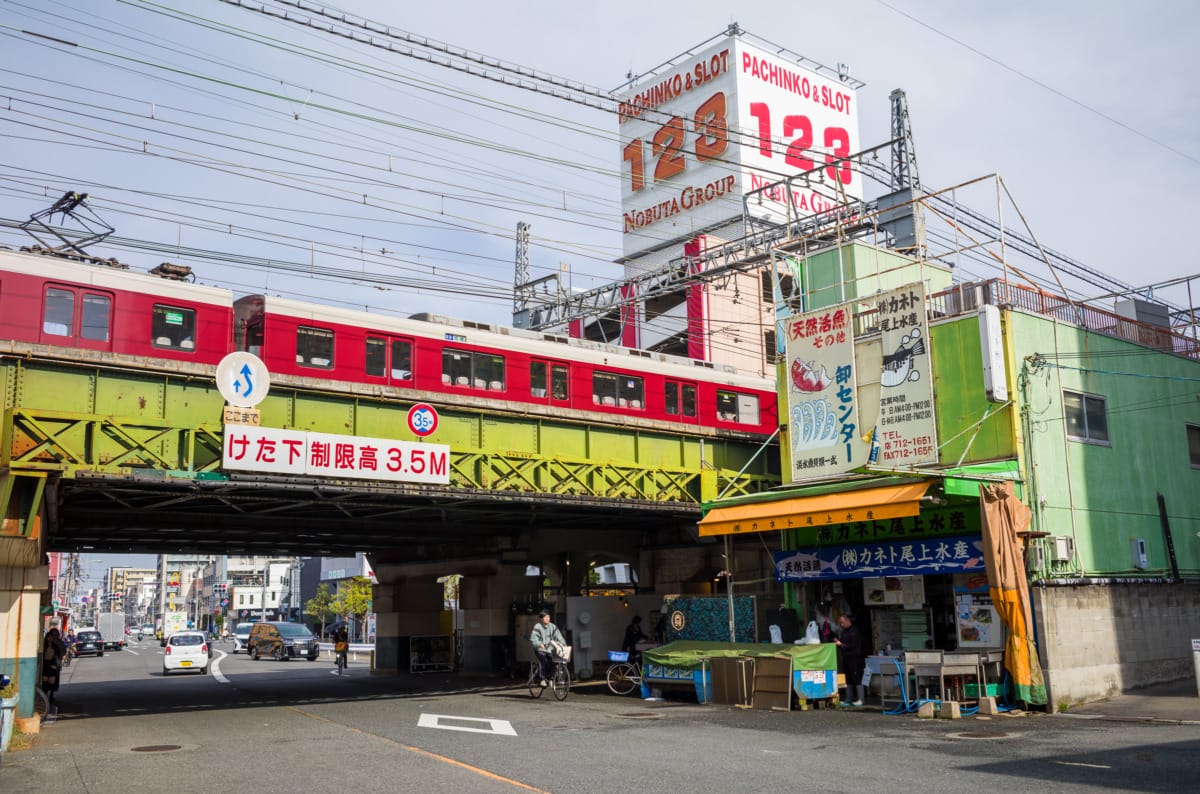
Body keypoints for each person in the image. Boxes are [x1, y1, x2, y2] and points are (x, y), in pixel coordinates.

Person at [835, 613, 865, 707]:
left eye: (842, 622)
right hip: (846, 658)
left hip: (855, 658)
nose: (841, 625)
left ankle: (861, 699)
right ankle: (849, 698)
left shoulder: (854, 631)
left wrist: (842, 645)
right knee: (848, 678)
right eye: (840, 623)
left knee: (857, 678)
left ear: (848, 621)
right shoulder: (844, 631)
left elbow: (854, 646)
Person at [529, 609, 565, 687]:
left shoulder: (552, 626)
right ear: (541, 619)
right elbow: (533, 638)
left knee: (554, 661)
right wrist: (539, 644)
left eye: (548, 617)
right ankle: (542, 679)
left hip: (549, 649)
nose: (547, 618)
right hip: (539, 649)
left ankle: (551, 679)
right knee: (543, 660)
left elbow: (559, 636)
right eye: (545, 617)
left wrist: (563, 644)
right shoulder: (537, 626)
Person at [42, 623, 68, 704]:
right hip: (46, 665)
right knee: (45, 680)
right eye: (52, 635)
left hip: (54, 664)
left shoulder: (57, 643)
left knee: (53, 681)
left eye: (55, 635)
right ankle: (46, 695)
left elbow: (62, 652)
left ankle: (51, 695)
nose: (53, 637)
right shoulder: (44, 645)